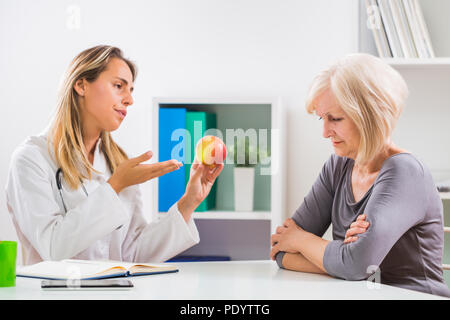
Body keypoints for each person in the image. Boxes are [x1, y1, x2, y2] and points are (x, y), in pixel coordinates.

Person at [5, 45, 223, 265]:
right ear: (81, 85)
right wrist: (115, 186)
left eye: (130, 90)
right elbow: (52, 247)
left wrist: (188, 203)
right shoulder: (31, 159)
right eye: (119, 86)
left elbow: (133, 255)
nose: (129, 100)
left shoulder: (116, 162)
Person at [270, 53, 450, 297]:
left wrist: (301, 241)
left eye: (335, 118)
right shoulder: (338, 166)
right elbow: (281, 251)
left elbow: (357, 265)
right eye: (321, 118)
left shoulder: (405, 173)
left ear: (371, 115)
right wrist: (343, 260)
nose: (324, 132)